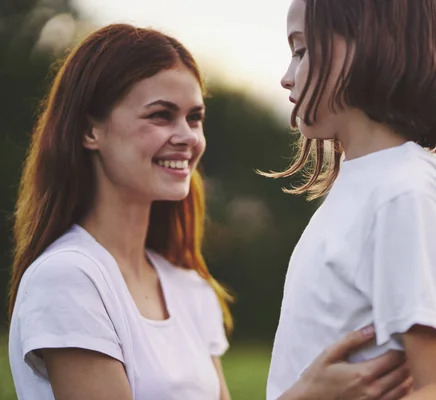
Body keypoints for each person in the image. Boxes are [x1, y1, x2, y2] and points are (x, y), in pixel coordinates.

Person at [7, 23, 410, 400]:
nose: (187, 137)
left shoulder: (190, 289)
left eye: (194, 118)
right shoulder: (68, 278)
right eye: (160, 115)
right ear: (89, 130)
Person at [264, 0, 436, 399]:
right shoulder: (363, 186)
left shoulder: (404, 191)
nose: (287, 77)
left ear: (370, 44)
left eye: (302, 50)